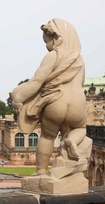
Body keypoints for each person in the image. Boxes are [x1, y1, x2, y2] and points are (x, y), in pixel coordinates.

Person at [10, 19, 87, 176]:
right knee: (80, 128)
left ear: (56, 38)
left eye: (46, 41)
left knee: (47, 137)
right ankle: (72, 140)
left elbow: (36, 82)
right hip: (78, 102)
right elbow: (81, 83)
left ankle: (41, 171)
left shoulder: (53, 56)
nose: (46, 46)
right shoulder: (79, 60)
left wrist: (18, 99)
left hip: (56, 100)